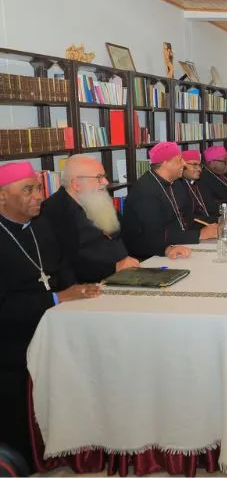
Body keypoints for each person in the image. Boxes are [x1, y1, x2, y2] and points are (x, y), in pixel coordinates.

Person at [0, 162, 100, 469]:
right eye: (27, 190)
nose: (38, 196)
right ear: (2, 196)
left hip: (55, 321)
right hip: (14, 342)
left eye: (39, 188)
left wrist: (74, 289)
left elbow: (60, 266)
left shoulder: (41, 224)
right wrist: (55, 297)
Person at [39, 155, 139, 283]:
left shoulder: (95, 199)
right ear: (76, 184)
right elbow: (67, 267)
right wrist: (113, 268)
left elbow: (120, 233)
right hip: (90, 288)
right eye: (99, 177)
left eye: (104, 176)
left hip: (125, 276)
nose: (106, 182)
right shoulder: (54, 213)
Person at [122, 141, 211, 260]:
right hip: (152, 256)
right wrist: (199, 235)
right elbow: (154, 235)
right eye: (180, 160)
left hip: (180, 246)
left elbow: (187, 218)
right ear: (165, 163)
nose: (184, 164)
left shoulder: (177, 184)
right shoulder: (145, 191)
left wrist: (211, 227)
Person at [173, 149, 218, 228]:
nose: (199, 169)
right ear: (182, 165)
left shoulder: (199, 182)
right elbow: (187, 218)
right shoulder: (176, 187)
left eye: (199, 165)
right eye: (194, 165)